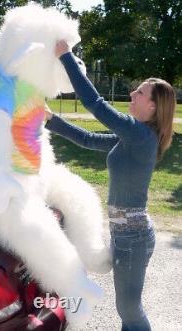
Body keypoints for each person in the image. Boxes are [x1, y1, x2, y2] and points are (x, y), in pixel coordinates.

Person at [44, 40, 176, 331]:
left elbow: (95, 104)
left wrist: (66, 56)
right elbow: (89, 140)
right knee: (128, 311)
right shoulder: (134, 136)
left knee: (129, 311)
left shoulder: (140, 136)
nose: (132, 93)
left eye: (139, 92)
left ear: (152, 106)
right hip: (129, 235)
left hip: (133, 238)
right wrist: (51, 119)